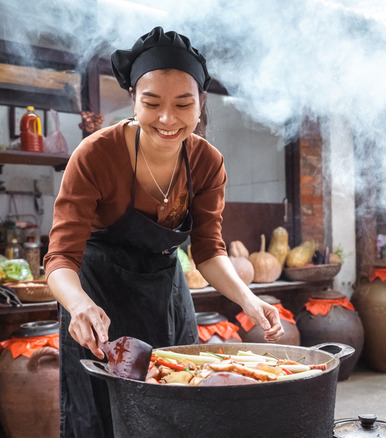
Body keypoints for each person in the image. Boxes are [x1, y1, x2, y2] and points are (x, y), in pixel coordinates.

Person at [44, 26, 285, 437]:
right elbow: (60, 258)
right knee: (102, 416)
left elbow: (209, 251)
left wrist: (248, 299)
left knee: (177, 404)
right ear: (134, 101)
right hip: (96, 296)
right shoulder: (96, 155)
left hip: (166, 295)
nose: (168, 119)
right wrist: (79, 305)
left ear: (200, 104)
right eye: (152, 103)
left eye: (183, 104)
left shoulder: (207, 163)